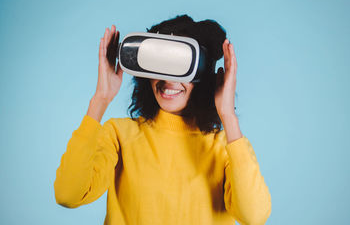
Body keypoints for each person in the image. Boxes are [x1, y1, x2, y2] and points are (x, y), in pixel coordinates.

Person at [54, 15, 271, 225]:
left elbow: (254, 217)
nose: (168, 79)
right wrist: (100, 99)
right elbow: (68, 194)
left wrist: (228, 116)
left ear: (202, 74)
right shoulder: (119, 135)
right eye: (159, 64)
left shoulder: (228, 147)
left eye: (180, 66)